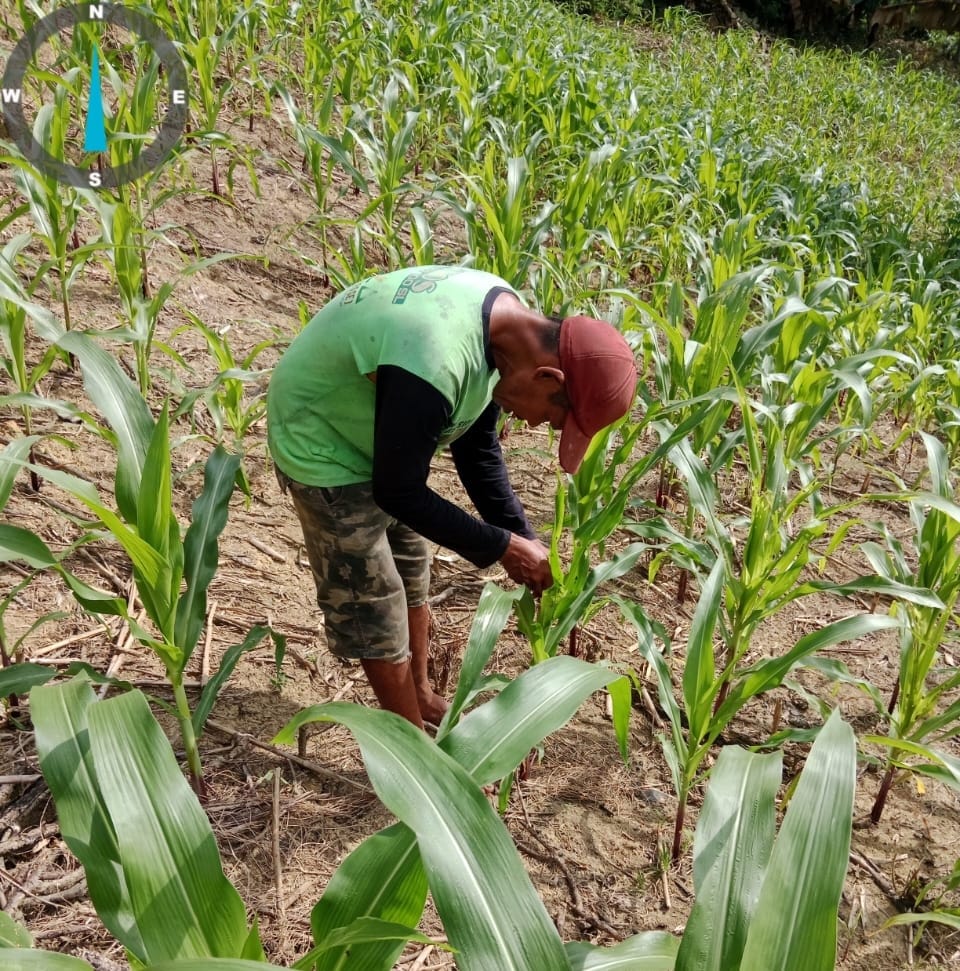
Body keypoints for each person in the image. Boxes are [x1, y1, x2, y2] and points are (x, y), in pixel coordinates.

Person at [266, 264, 638, 730]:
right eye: (553, 419)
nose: (538, 426)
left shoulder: (502, 331)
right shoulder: (437, 354)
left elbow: (477, 448)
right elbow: (397, 490)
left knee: (410, 564)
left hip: (382, 434)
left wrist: (521, 537)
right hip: (321, 436)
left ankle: (419, 694)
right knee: (374, 599)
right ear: (549, 379)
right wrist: (502, 547)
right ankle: (414, 755)